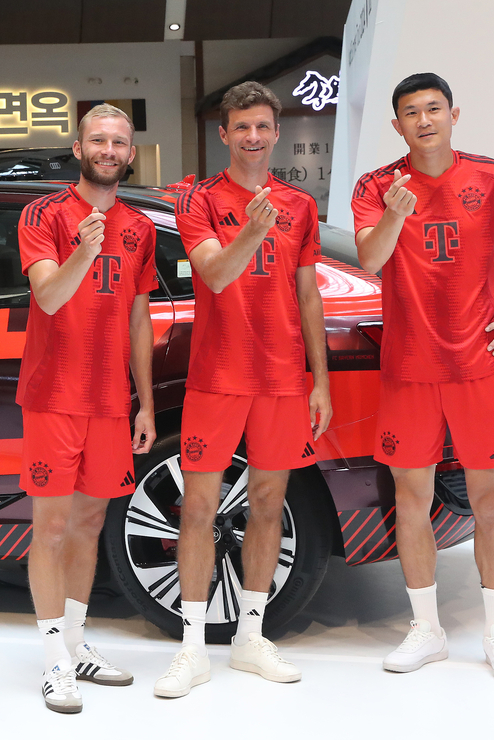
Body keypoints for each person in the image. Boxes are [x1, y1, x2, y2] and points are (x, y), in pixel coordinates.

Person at [352, 73, 494, 682]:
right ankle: (427, 630)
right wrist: (392, 216)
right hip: (409, 370)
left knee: (489, 501)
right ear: (397, 125)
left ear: (453, 114)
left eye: (434, 108)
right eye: (411, 112)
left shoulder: (493, 177)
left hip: (475, 368)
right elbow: (369, 259)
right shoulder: (378, 185)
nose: (424, 120)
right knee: (411, 500)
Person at [154, 81, 332, 698]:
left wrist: (320, 381)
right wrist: (253, 231)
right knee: (198, 510)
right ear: (223, 134)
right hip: (217, 377)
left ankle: (252, 638)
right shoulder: (199, 201)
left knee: (266, 504)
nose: (253, 137)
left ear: (276, 133)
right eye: (241, 127)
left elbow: (309, 296)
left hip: (282, 379)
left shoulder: (301, 205)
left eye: (263, 126)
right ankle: (194, 647)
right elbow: (215, 273)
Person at [17, 104, 158, 713]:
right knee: (49, 529)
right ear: (78, 147)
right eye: (97, 140)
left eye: (118, 142)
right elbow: (47, 295)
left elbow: (137, 315)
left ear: (131, 154)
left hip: (109, 401)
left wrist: (145, 403)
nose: (108, 149)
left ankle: (75, 644)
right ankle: (52, 660)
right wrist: (84, 250)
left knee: (89, 525)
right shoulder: (42, 214)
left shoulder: (140, 225)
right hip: (53, 396)